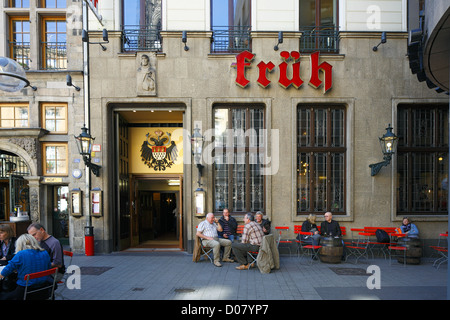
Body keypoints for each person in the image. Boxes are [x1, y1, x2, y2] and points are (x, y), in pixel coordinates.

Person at [0, 234, 52, 300]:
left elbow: (4, 272)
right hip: (43, 289)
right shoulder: (44, 252)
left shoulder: (21, 254)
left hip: (25, 291)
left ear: (19, 244)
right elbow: (48, 267)